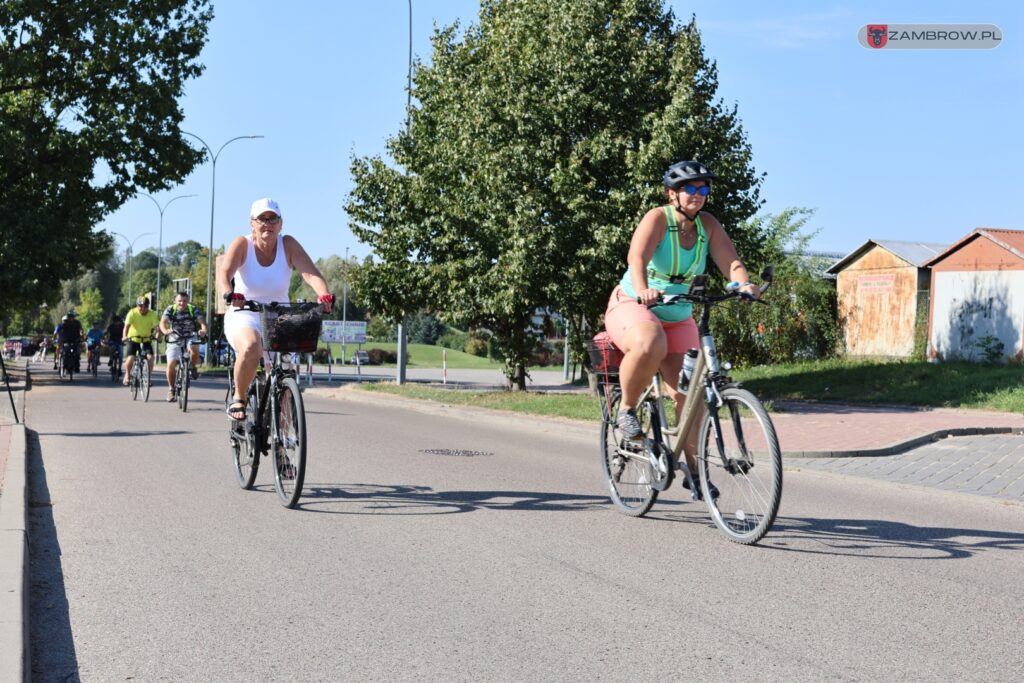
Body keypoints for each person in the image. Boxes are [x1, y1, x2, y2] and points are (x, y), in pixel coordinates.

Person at [603, 160, 759, 497]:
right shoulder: (657, 218)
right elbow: (637, 258)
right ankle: (627, 411)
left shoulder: (708, 225)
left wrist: (744, 284)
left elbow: (731, 262)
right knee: (649, 341)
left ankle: (695, 470)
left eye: (704, 188)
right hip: (634, 305)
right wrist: (644, 288)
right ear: (672, 193)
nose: (699, 194)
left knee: (691, 396)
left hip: (678, 315)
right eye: (691, 187)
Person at [216, 198, 333, 419]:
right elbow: (225, 273)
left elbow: (310, 273)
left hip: (279, 316)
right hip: (245, 312)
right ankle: (239, 399)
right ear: (252, 223)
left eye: (273, 219)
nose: (267, 224)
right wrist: (229, 294)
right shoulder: (243, 244)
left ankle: (283, 429)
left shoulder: (287, 244)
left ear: (281, 224)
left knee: (284, 370)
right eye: (262, 219)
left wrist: (323, 294)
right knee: (251, 346)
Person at [159, 291, 208, 402]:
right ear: (175, 301)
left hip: (190, 336)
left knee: (195, 347)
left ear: (188, 301)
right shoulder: (170, 309)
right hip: (175, 337)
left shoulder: (192, 309)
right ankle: (171, 390)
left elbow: (202, 322)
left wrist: (203, 330)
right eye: (179, 301)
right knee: (171, 364)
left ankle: (192, 367)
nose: (182, 303)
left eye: (184, 301)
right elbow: (163, 322)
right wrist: (165, 331)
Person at [122, 296, 159, 386]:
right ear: (137, 305)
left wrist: (157, 336)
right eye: (140, 306)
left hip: (146, 339)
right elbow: (126, 326)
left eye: (145, 306)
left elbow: (157, 328)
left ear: (148, 306)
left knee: (150, 358)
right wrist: (124, 336)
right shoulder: (132, 313)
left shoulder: (152, 314)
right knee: (131, 358)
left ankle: (147, 378)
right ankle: (127, 374)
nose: (143, 308)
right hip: (133, 339)